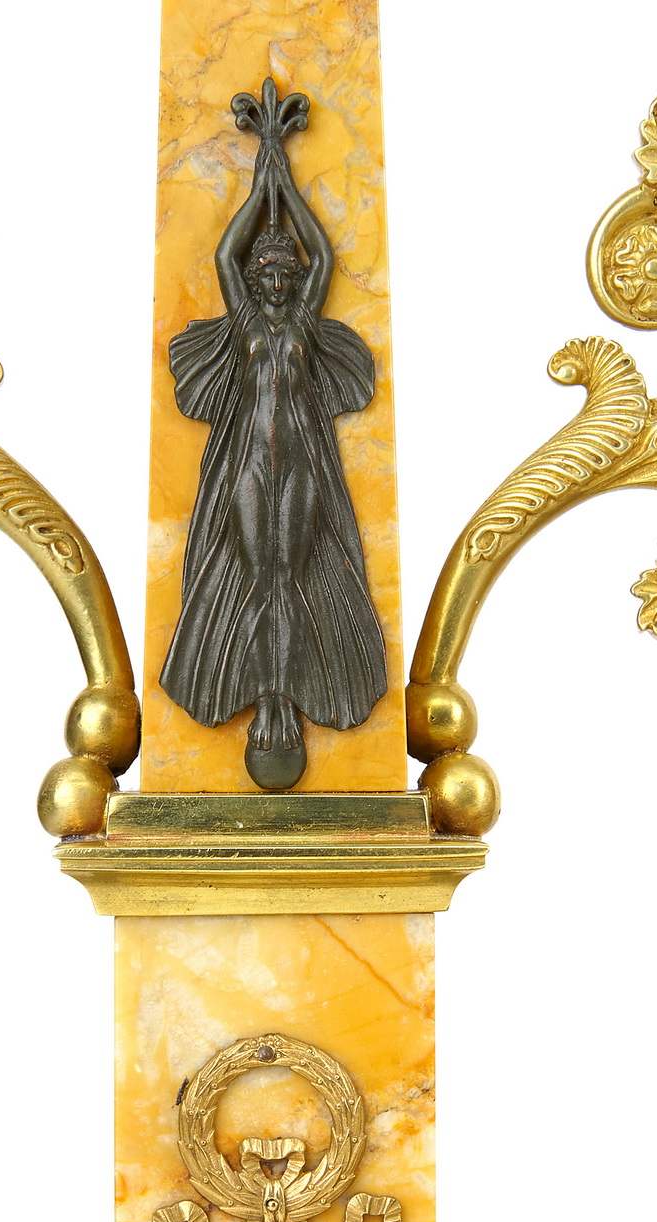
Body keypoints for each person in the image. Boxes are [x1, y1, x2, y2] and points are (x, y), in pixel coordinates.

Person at [160, 79, 389, 790]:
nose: (279, 278)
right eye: (269, 271)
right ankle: (265, 694)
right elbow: (224, 257)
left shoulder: (303, 326)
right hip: (249, 466)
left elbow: (323, 256)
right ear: (256, 281)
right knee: (257, 572)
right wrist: (264, 170)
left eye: (285, 271)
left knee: (295, 571)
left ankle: (288, 693)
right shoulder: (246, 325)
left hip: (303, 465)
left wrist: (284, 179)